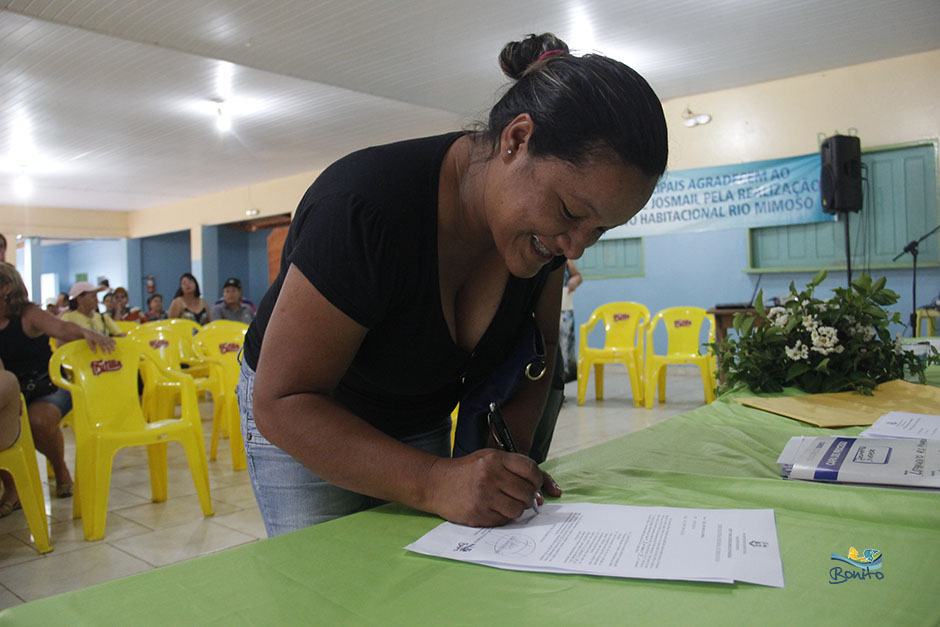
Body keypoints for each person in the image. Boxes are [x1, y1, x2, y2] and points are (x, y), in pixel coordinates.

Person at [239, 33, 667, 537]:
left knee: (418, 581)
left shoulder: (545, 239)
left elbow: (543, 348)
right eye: (572, 211)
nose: (575, 247)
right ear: (516, 140)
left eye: (599, 230)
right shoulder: (363, 208)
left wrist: (506, 457)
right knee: (324, 588)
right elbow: (284, 401)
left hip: (417, 409)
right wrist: (433, 481)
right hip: (308, 415)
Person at [0, 262, 116, 510]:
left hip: (48, 386)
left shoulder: (28, 314)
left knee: (38, 421)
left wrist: (87, 334)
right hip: (10, 393)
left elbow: (62, 326)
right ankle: (12, 487)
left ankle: (59, 466)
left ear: (6, 288)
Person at [559, 259, 582, 383]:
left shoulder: (566, 261)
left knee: (564, 353)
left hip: (564, 312)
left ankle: (561, 387)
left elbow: (578, 276)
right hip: (547, 311)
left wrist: (574, 281)